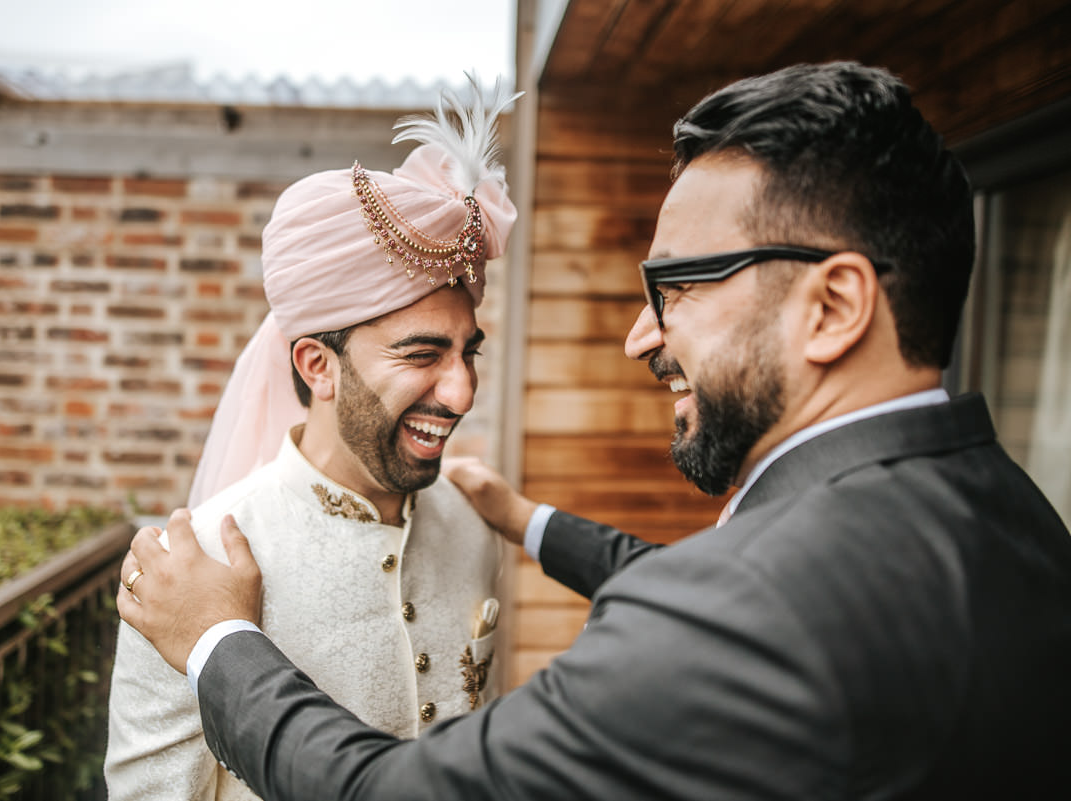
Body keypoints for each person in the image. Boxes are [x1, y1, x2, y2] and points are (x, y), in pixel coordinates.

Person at [116, 61, 1071, 800]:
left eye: (678, 287)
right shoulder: (1020, 520)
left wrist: (214, 639)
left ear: (832, 308)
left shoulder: (749, 607)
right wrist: (527, 519)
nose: (639, 336)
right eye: (420, 351)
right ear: (315, 365)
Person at [104, 78, 519, 800]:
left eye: (467, 353)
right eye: (423, 355)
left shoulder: (474, 524)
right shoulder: (192, 574)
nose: (461, 393)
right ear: (317, 366)